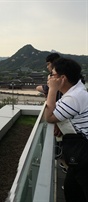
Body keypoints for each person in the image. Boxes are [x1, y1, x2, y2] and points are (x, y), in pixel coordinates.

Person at [44, 57, 88, 201]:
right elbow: (60, 114)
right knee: (72, 189)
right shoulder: (78, 91)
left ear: (62, 78)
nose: (49, 78)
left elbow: (49, 117)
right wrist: (60, 122)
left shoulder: (73, 97)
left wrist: (52, 89)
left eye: (53, 75)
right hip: (80, 154)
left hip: (84, 154)